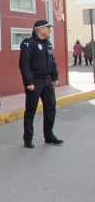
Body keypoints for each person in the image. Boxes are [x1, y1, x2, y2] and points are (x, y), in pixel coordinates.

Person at [19, 19, 63, 148]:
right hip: (35, 81)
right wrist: (28, 82)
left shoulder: (47, 44)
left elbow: (52, 61)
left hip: (47, 81)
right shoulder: (28, 44)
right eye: (48, 28)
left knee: (51, 108)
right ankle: (28, 138)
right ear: (40, 29)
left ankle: (49, 136)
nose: (50, 30)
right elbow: (24, 64)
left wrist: (55, 77)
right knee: (31, 110)